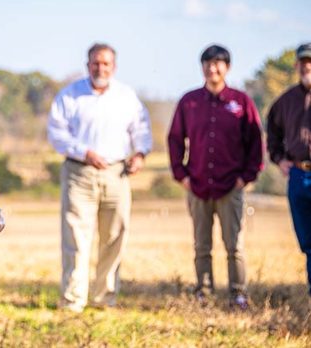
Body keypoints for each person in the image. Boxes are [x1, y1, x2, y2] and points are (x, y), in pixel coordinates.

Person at [47, 43, 152, 313]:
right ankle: (73, 299)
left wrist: (139, 154)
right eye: (95, 63)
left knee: (114, 237)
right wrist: (85, 152)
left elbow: (140, 128)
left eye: (105, 64)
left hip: (117, 173)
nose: (100, 68)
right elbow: (57, 134)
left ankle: (105, 298)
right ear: (87, 65)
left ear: (114, 67)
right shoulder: (69, 96)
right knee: (76, 239)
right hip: (79, 172)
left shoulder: (126, 96)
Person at [168, 44, 263, 309]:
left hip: (231, 185)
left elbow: (255, 141)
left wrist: (247, 176)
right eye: (208, 63)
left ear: (227, 67)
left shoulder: (241, 101)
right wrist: (181, 174)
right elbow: (175, 139)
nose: (213, 68)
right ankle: (203, 292)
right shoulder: (190, 102)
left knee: (234, 245)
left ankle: (238, 293)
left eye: (218, 63)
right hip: (197, 185)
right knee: (202, 245)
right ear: (202, 68)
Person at [267, 43, 311, 295]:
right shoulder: (284, 102)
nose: (307, 66)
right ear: (296, 65)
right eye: (303, 62)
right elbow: (272, 134)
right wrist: (279, 159)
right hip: (298, 174)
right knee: (307, 240)